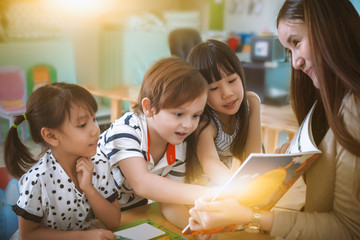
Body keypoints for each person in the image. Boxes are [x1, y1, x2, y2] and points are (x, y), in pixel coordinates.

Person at [188, 0, 360, 239]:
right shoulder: (327, 103)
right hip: (204, 190)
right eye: (289, 51)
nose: (296, 62)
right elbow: (212, 163)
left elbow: (350, 228)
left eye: (297, 42)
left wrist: (251, 210)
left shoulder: (351, 110)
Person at [96, 56, 215, 229]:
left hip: (131, 213)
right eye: (178, 114)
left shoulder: (178, 141)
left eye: (196, 115)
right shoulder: (126, 131)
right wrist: (212, 194)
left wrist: (194, 229)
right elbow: (143, 183)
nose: (189, 124)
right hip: (88, 214)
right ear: (149, 107)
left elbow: (170, 201)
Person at [4, 83, 121, 240]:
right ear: (51, 136)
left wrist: (89, 188)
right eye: (83, 124)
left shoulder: (99, 163)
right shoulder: (38, 179)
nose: (95, 129)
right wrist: (83, 237)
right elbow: (28, 235)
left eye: (94, 119)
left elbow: (114, 222)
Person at [185, 39, 262, 185]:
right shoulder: (205, 121)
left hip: (224, 181)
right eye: (213, 88)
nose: (227, 93)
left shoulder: (251, 103)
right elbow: (210, 162)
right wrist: (236, 185)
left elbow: (253, 157)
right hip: (196, 183)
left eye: (232, 80)